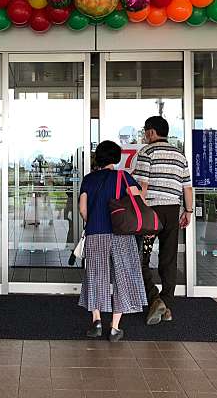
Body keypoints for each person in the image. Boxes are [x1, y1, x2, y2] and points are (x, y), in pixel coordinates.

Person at [78, 140, 146, 341]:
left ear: (98, 157)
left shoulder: (89, 179)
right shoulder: (123, 177)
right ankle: (115, 327)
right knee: (123, 276)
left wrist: (94, 222)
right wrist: (142, 187)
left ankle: (96, 321)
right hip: (121, 234)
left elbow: (83, 209)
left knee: (96, 276)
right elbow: (139, 199)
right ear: (116, 158)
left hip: (95, 233)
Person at [133, 116, 193, 325]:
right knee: (168, 259)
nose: (144, 135)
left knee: (141, 257)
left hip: (152, 213)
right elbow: (187, 186)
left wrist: (140, 212)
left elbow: (142, 186)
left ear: (151, 132)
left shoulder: (147, 152)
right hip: (172, 212)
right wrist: (189, 211)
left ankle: (154, 298)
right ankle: (166, 304)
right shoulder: (180, 154)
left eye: (145, 131)